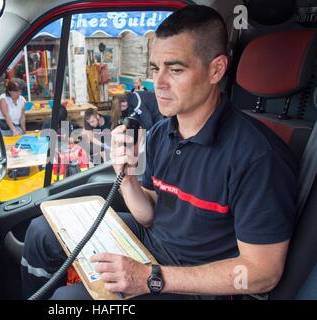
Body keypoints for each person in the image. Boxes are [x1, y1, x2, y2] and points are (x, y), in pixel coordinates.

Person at [20, 5, 297, 300]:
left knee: (67, 302)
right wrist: (125, 178)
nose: (159, 83)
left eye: (175, 69)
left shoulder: (258, 157)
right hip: (150, 245)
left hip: (197, 283)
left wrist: (151, 278)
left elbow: (262, 273)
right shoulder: (161, 133)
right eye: (156, 69)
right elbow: (149, 215)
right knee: (40, 232)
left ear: (216, 69)